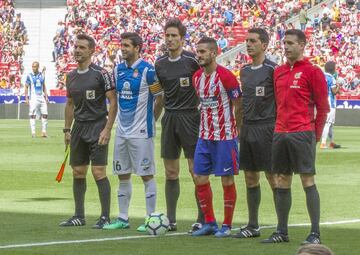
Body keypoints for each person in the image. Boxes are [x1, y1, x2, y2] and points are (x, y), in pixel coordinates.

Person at [262, 29, 329, 244]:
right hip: (281, 132)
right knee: (281, 179)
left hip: (302, 132)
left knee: (307, 179)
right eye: (284, 43)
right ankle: (282, 231)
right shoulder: (278, 71)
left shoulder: (313, 71)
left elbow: (323, 108)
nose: (286, 46)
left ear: (302, 45)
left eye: (291, 43)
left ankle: (315, 234)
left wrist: (315, 136)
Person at [103, 32, 163, 232]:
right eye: (122, 45)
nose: (123, 48)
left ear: (137, 48)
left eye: (127, 45)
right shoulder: (118, 69)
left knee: (146, 175)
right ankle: (122, 218)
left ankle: (150, 219)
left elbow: (159, 97)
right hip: (122, 132)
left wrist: (151, 120)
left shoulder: (148, 71)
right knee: (123, 174)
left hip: (141, 132)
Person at [59, 34, 117, 229]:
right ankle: (79, 216)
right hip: (78, 128)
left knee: (99, 171)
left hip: (98, 126)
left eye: (82, 47)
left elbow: (113, 100)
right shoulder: (71, 76)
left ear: (92, 51)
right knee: (78, 172)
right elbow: (69, 104)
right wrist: (67, 129)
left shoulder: (101, 73)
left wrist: (108, 128)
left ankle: (105, 217)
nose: (77, 50)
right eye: (76, 47)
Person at [155, 18, 204, 233]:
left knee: (196, 171)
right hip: (170, 118)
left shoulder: (193, 61)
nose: (170, 39)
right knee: (171, 172)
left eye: (174, 36)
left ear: (182, 39)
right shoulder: (159, 63)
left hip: (191, 118)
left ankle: (202, 217)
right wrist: (153, 120)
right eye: (167, 35)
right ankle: (171, 220)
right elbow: (159, 95)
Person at [191, 37, 242, 238]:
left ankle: (227, 225)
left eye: (203, 52)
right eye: (198, 51)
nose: (199, 55)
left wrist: (236, 130)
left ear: (214, 53)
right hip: (204, 136)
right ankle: (210, 222)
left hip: (225, 136)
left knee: (226, 179)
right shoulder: (196, 77)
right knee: (199, 177)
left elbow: (239, 104)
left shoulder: (226, 76)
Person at [232, 28, 277, 239]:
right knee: (250, 178)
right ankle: (253, 225)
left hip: (267, 128)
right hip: (247, 128)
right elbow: (241, 103)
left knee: (274, 178)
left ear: (264, 45)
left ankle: (281, 227)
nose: (248, 44)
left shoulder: (273, 70)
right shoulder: (245, 71)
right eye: (246, 41)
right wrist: (238, 126)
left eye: (253, 41)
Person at [24, 62, 48, 138]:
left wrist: (46, 96)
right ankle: (33, 133)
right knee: (32, 115)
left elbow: (44, 86)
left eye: (35, 67)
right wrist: (26, 98)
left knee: (45, 114)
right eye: (32, 66)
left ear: (38, 67)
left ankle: (44, 132)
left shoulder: (41, 75)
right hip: (33, 98)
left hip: (41, 97)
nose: (33, 68)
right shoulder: (29, 76)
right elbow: (26, 87)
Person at [320, 61, 341, 149]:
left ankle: (331, 142)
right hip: (330, 102)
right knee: (327, 123)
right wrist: (338, 86)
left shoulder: (321, 76)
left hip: (322, 101)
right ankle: (323, 143)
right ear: (333, 68)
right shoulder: (331, 78)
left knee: (330, 124)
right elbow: (334, 92)